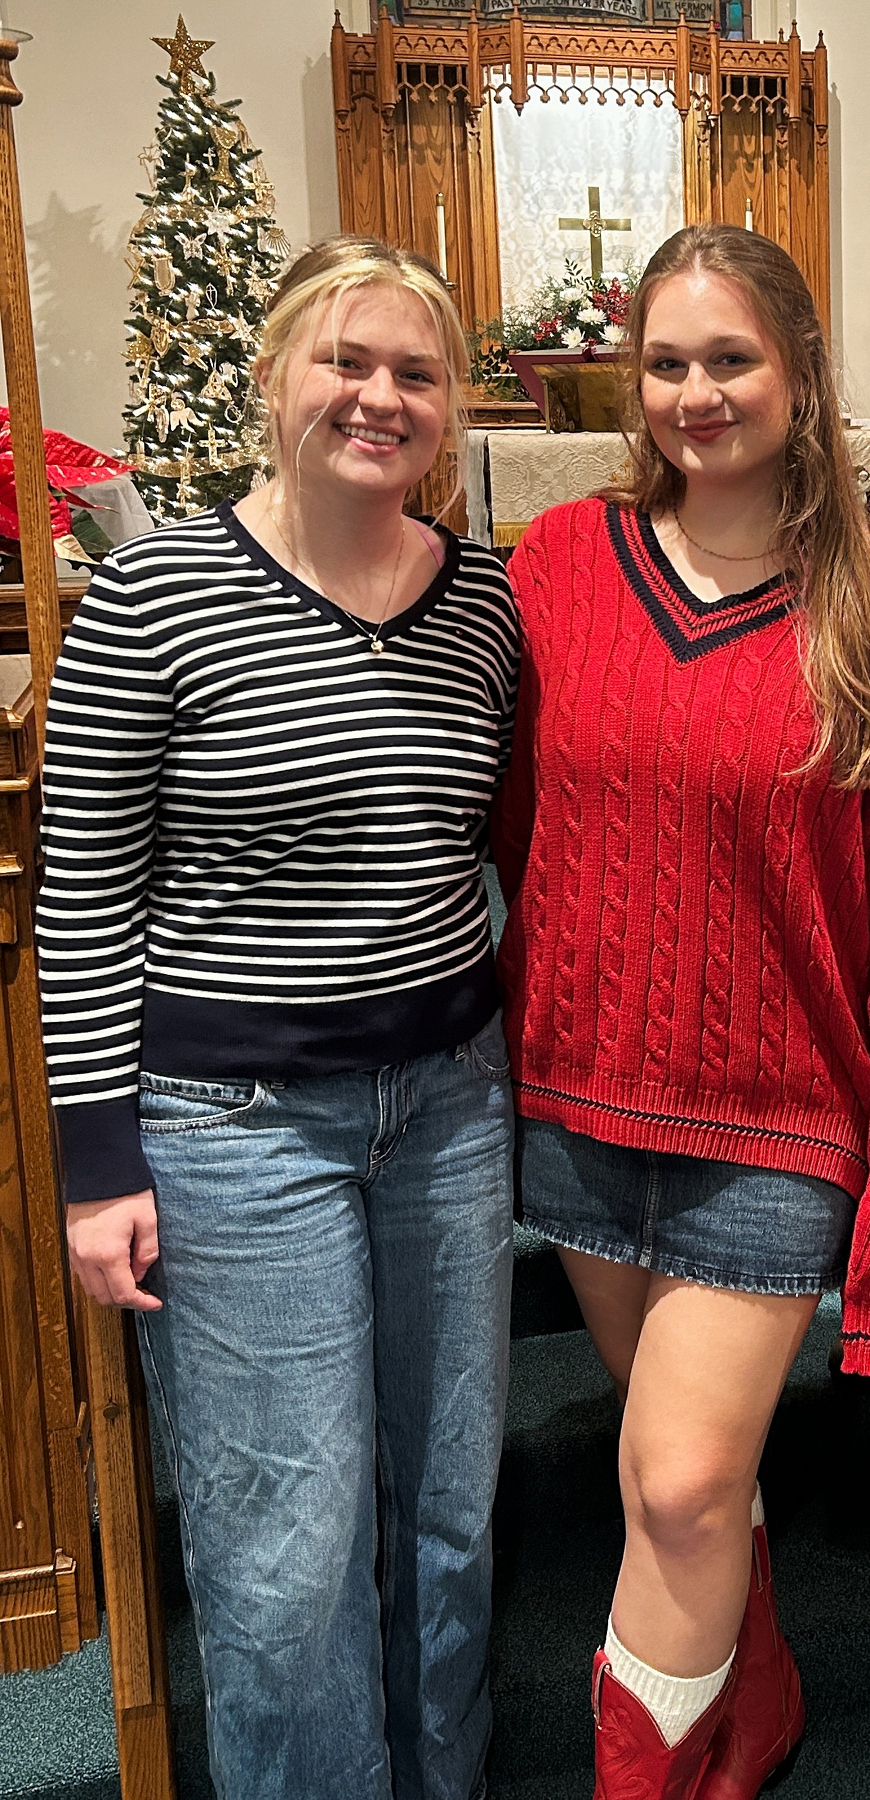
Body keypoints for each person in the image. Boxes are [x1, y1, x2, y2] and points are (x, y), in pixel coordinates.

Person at [490, 224, 870, 1800]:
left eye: (732, 359)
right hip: (580, 1099)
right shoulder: (555, 568)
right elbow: (502, 828)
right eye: (668, 363)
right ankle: (747, 1704)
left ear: (801, 373)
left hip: (775, 1129)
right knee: (664, 1467)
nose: (698, 393)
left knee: (687, 1486)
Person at [41, 238, 519, 1800]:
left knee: (449, 1506)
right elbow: (85, 891)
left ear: (450, 407)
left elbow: (495, 843)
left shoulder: (481, 606)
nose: (380, 397)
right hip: (238, 1133)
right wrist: (97, 1167)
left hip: (450, 1103)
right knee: (285, 1552)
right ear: (271, 377)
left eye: (416, 374)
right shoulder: (153, 590)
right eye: (346, 362)